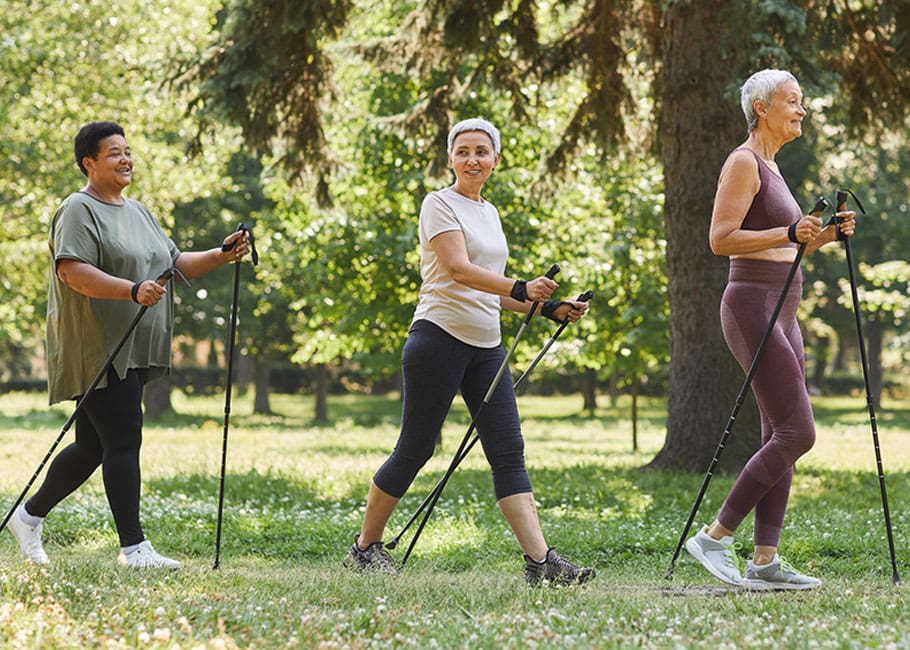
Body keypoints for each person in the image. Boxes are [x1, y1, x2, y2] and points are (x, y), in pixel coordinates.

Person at [342, 118, 595, 585]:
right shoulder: (438, 204)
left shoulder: (490, 213)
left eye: (482, 151)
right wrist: (523, 284)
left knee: (508, 451)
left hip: (487, 346)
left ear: (496, 159)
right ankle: (364, 548)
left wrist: (548, 308)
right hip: (437, 338)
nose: (472, 159)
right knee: (415, 449)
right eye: (463, 151)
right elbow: (458, 270)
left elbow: (492, 290)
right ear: (451, 158)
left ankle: (541, 564)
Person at [5, 121, 250, 569]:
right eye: (114, 152)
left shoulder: (138, 211)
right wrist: (132, 290)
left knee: (93, 447)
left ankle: (29, 514)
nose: (126, 159)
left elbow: (174, 263)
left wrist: (221, 253)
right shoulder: (78, 209)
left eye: (128, 151)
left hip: (133, 345)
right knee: (123, 439)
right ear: (89, 162)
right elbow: (71, 271)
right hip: (97, 347)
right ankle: (134, 549)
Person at [685, 70, 856, 590]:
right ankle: (714, 537)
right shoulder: (742, 161)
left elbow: (787, 245)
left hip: (781, 306)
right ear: (762, 107)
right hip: (752, 304)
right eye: (793, 101)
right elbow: (721, 239)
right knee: (797, 433)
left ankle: (764, 562)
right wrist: (788, 229)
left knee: (775, 432)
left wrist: (822, 235)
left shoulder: (773, 169)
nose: (801, 110)